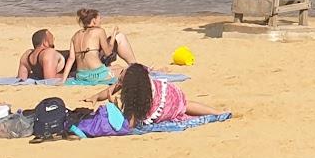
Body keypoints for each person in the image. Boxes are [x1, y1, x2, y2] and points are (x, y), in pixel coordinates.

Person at [85, 63, 221, 128]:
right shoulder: (140, 81)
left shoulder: (134, 96)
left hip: (162, 105)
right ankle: (218, 113)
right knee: (185, 105)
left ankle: (217, 113)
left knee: (183, 107)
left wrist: (114, 106)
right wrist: (96, 96)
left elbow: (129, 124)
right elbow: (111, 89)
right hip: (169, 92)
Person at [67, 9, 136, 85]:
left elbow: (71, 59)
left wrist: (63, 80)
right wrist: (113, 35)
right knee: (127, 70)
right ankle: (138, 67)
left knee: (117, 66)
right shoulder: (99, 31)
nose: (101, 20)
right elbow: (108, 53)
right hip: (97, 75)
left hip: (81, 75)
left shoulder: (75, 35)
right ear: (94, 21)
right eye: (99, 18)